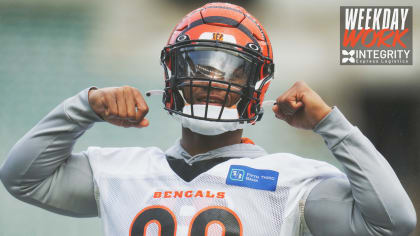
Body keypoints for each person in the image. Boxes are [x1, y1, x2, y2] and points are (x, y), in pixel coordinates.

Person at [0, 2, 416, 236]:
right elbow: (22, 178)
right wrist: (82, 106)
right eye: (198, 67)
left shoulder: (289, 182)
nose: (211, 83)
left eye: (230, 72)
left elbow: (394, 222)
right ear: (173, 74)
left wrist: (333, 124)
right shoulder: (119, 173)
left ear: (256, 84)